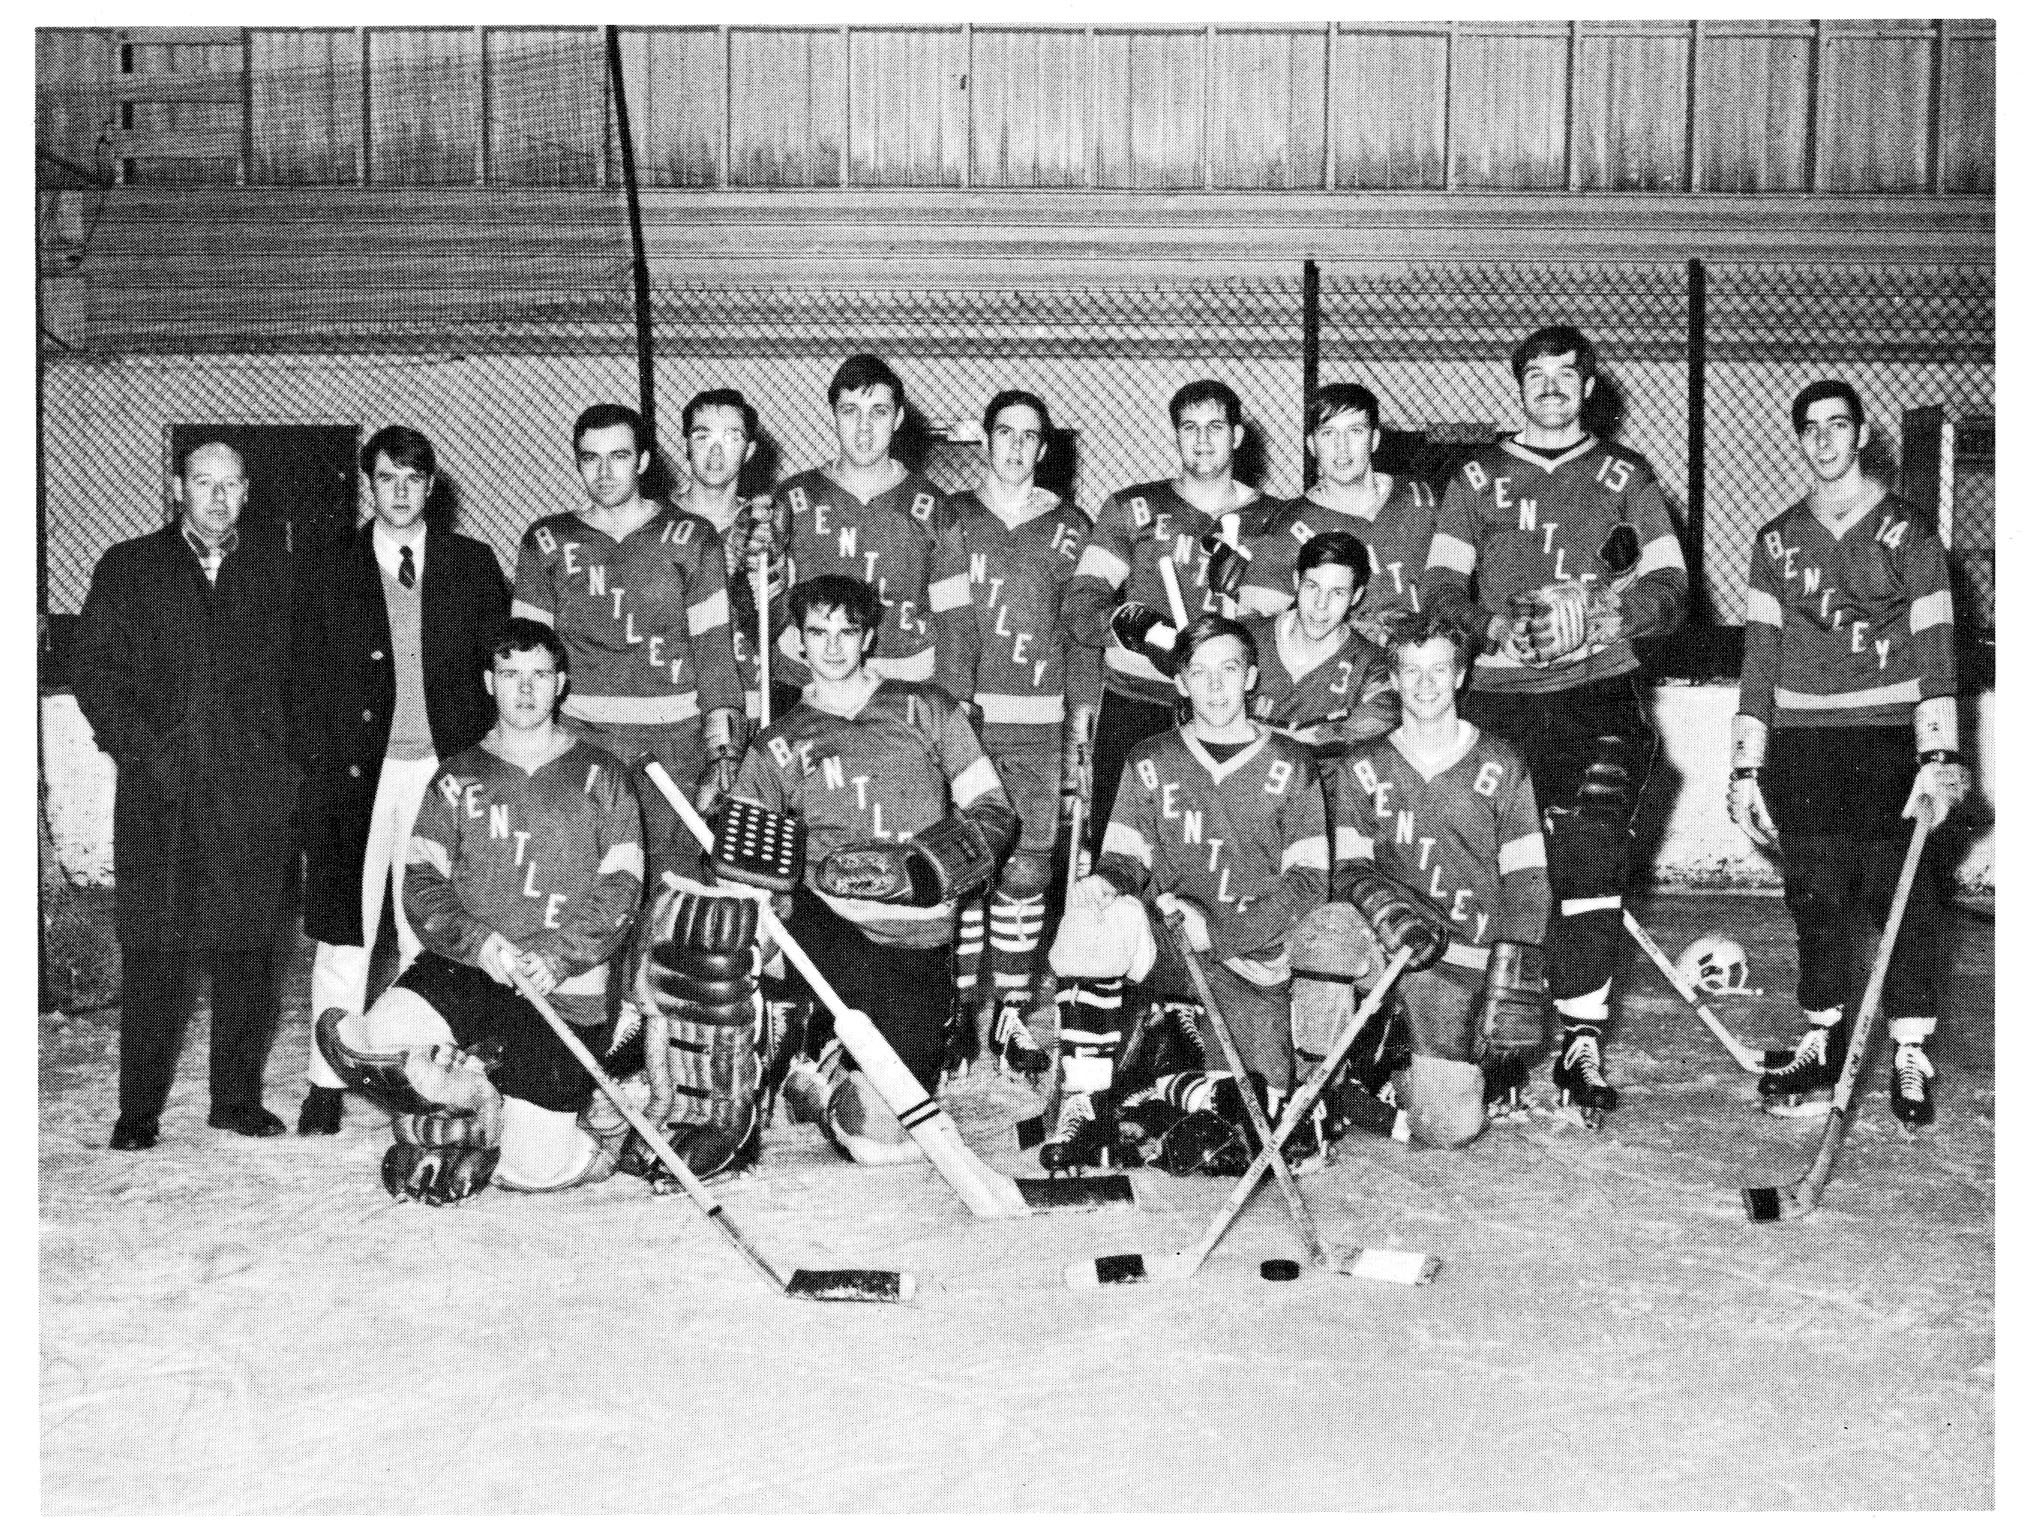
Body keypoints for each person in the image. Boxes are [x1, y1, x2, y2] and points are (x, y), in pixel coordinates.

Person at [1419, 324, 1688, 1121]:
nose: (1550, 387)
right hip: (1499, 696)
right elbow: (1437, 589)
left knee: (1591, 849)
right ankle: (1501, 1041)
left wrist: (1605, 612)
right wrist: (1494, 627)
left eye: (1565, 375)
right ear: (1519, 386)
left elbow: (1673, 585)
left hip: (1597, 691)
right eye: (1535, 375)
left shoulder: (1624, 473)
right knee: (1501, 869)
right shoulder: (1473, 475)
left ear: (1590, 386)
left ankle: (1580, 1037)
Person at [317, 619, 645, 1203]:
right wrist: (482, 946)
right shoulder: (455, 776)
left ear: (561, 684)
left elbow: (622, 889)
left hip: (564, 984)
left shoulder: (602, 774)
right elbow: (420, 887)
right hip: (474, 968)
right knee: (382, 1035)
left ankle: (600, 1134)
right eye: (511, 675)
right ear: (489, 683)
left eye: (540, 676)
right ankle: (471, 1090)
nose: (525, 690)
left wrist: (557, 958)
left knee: (534, 1170)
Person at [1730, 380, 1968, 1127]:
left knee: (1906, 898)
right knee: (1817, 897)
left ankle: (1908, 1047)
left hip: (1891, 740)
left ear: (1863, 434)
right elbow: (1759, 659)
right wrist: (1745, 765)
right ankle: (1823, 1036)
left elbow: (1936, 649)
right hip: (1804, 744)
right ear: (1800, 439)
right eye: (1812, 428)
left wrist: (1939, 755)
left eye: (1839, 425)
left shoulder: (1910, 533)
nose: (1825, 439)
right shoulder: (1774, 541)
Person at [727, 574, 1017, 1165]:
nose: (832, 648)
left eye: (847, 632)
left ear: (869, 638)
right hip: (825, 927)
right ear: (798, 642)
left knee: (879, 1143)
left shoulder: (927, 709)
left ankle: (828, 1074)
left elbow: (994, 813)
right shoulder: (777, 742)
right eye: (817, 632)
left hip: (915, 936)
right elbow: (744, 871)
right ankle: (784, 1041)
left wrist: (923, 869)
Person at [72, 441, 301, 1150]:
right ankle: (138, 1109)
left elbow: (303, 675)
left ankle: (235, 1099)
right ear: (178, 487)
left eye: (231, 484)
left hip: (249, 794)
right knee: (155, 951)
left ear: (247, 492)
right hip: (160, 795)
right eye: (204, 482)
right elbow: (95, 672)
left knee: (247, 948)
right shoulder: (130, 566)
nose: (217, 497)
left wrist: (282, 768)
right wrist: (148, 754)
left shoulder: (274, 569)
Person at [1043, 615, 1328, 1170]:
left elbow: (1308, 887)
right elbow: (1125, 859)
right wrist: (1103, 883)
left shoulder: (1294, 765)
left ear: (1251, 678)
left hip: (1252, 956)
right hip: (1168, 944)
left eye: (1228, 670)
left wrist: (1219, 931)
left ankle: (1166, 1071)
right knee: (1092, 915)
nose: (1215, 687)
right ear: (1181, 684)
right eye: (1199, 673)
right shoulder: (1150, 758)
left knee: (1249, 1122)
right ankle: (1089, 1105)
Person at [291, 425, 510, 1136]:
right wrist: (322, 763)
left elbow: (494, 671)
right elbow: (301, 676)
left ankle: (420, 1070)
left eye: (415, 480)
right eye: (388, 478)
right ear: (370, 483)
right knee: (346, 930)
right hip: (358, 776)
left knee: (430, 925)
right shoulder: (331, 565)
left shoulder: (472, 564)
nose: (402, 492)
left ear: (432, 484)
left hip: (441, 770)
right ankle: (326, 1080)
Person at [1328, 611, 1553, 1147]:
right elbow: (1348, 870)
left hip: (1462, 958)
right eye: (1411, 671)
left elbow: (1527, 881)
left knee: (1449, 1128)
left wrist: (1515, 971)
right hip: (1388, 944)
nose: (1424, 686)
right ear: (1394, 677)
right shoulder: (1363, 765)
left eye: (1437, 672)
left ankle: (1411, 1062)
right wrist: (1387, 911)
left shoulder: (1502, 765)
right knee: (1325, 936)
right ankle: (1341, 1069)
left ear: (1459, 676)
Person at [512, 403, 746, 888]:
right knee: (579, 885)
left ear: (642, 462)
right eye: (589, 458)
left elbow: (715, 655)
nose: (603, 472)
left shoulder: (692, 537)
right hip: (579, 737)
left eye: (618, 456)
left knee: (669, 889)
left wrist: (723, 755)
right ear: (576, 462)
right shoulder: (546, 541)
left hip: (671, 745)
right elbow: (524, 662)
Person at [942, 389, 1103, 1077]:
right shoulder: (949, 517)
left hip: (1038, 721)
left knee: (1027, 867)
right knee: (959, 869)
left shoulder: (1071, 526)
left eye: (1028, 435)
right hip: (962, 721)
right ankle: (953, 1008)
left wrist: (1083, 721)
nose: (1014, 446)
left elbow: (1083, 635)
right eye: (1002, 432)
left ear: (1044, 447)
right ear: (984, 441)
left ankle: (1009, 1010)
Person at [1061, 379, 1275, 855]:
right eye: (1189, 428)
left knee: (1218, 852)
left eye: (1215, 427)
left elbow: (1291, 626)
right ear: (1176, 436)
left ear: (1237, 436)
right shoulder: (1131, 508)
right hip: (1140, 702)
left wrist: (1248, 600)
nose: (1201, 440)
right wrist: (1135, 628)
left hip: (1228, 707)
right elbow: (1080, 605)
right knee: (1122, 850)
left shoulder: (1274, 519)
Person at [768, 354, 978, 707]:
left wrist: (951, 706)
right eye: (850, 411)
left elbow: (955, 620)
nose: (864, 427)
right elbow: (765, 610)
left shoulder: (933, 506)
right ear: (834, 414)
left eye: (878, 412)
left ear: (897, 419)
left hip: (903, 686)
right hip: (808, 684)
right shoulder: (793, 497)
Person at [1233, 382, 1441, 645]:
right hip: (1354, 673)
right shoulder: (1291, 524)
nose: (1341, 447)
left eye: (1355, 431)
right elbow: (1253, 624)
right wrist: (1355, 627)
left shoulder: (1419, 496)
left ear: (1374, 440)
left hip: (1430, 661)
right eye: (1328, 434)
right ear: (1311, 445)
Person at [1241, 530, 1399, 784]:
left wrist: (1284, 737)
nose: (1321, 605)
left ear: (1356, 596)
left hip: (1319, 806)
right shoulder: (1245, 640)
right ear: (1296, 581)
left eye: (1337, 593)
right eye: (1312, 586)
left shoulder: (1371, 665)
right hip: (1238, 792)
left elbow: (1383, 715)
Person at [671, 388, 783, 727]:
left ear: (748, 451)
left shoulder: (765, 524)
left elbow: (779, 627)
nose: (716, 451)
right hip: (675, 697)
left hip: (748, 691)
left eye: (731, 437)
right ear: (687, 446)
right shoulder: (656, 521)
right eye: (703, 437)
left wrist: (769, 585)